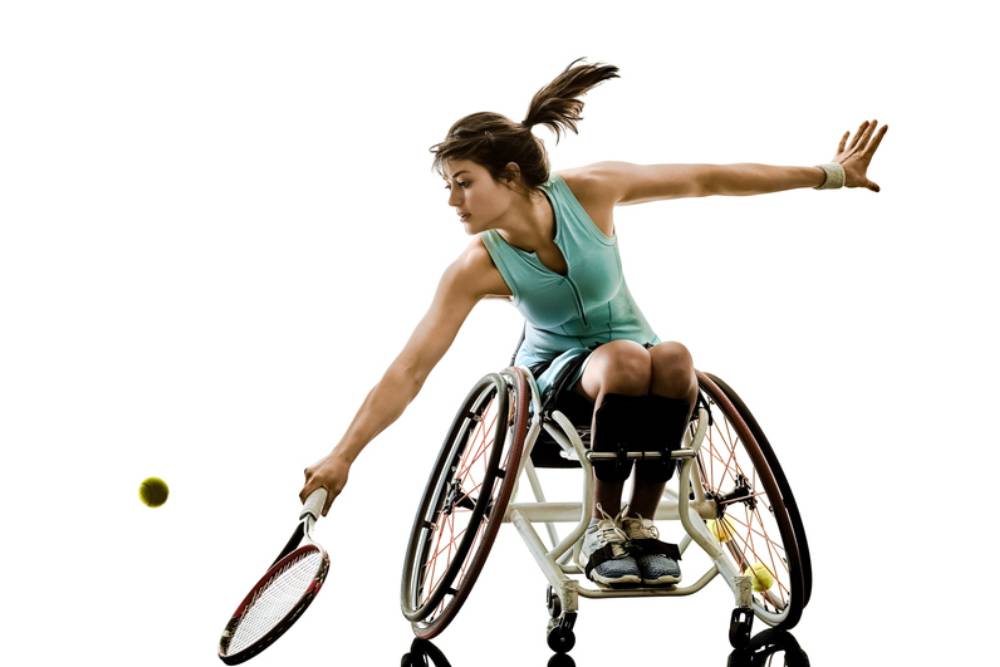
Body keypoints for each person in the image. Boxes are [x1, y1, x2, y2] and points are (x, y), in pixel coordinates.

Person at [299, 57, 887, 588]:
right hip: (554, 392)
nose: (454, 200)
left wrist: (830, 173)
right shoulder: (477, 266)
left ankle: (639, 522)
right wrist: (343, 454)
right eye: (448, 186)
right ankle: (605, 525)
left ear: (509, 175)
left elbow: (708, 178)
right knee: (627, 358)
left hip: (642, 367)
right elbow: (410, 368)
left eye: (464, 182)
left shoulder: (590, 192)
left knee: (674, 355)